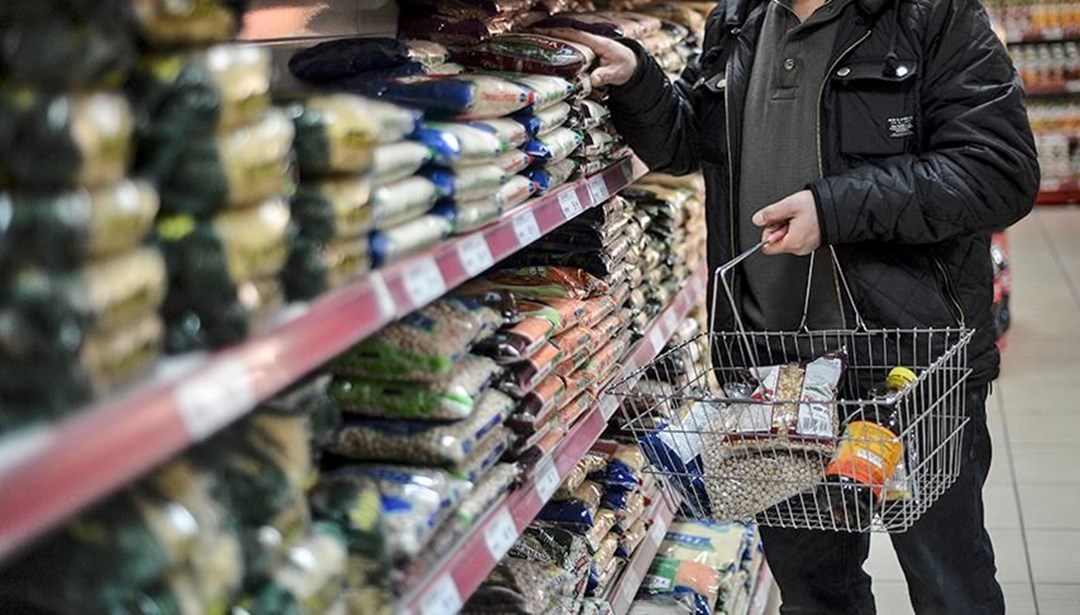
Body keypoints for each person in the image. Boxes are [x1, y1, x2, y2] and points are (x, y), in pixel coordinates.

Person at [547, 0, 1039, 612]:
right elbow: (692, 144)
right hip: (776, 376)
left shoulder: (933, 14)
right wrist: (637, 77)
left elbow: (998, 171)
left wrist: (833, 209)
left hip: (906, 369)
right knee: (811, 592)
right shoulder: (737, 19)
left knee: (948, 584)